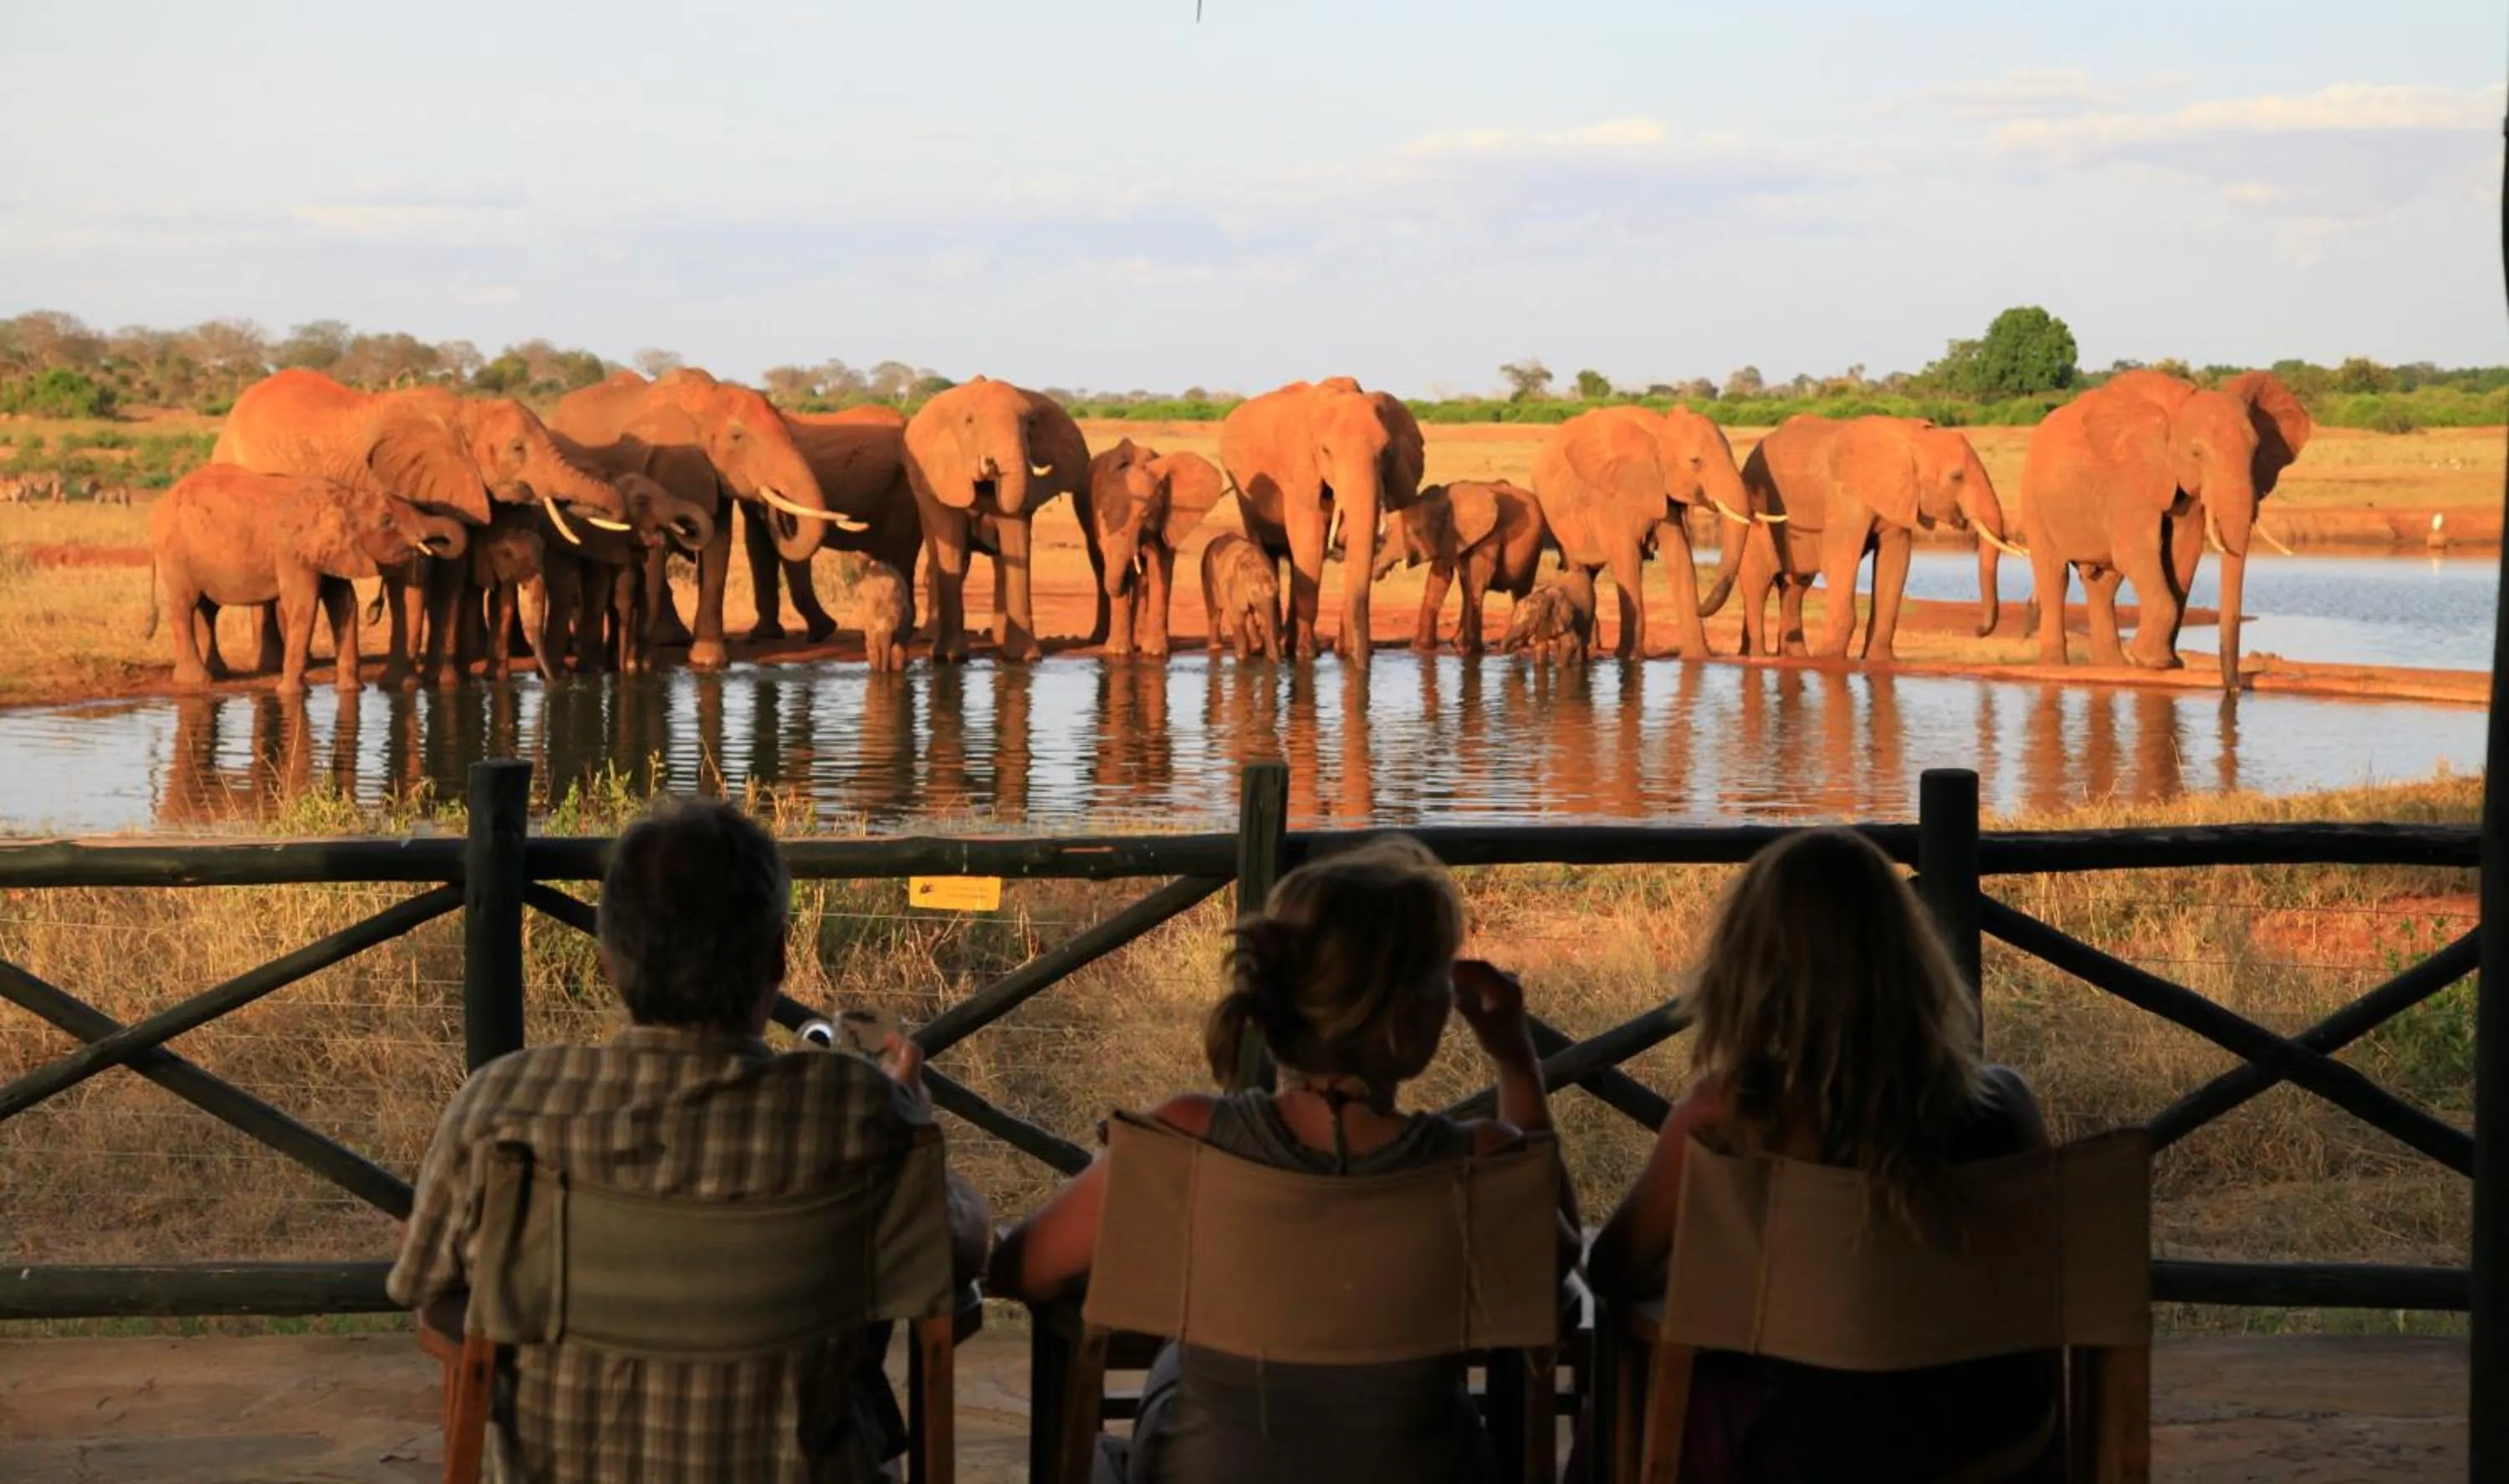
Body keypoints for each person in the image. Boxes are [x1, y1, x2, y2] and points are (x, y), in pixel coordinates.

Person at [389, 796, 991, 1483]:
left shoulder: (503, 1105)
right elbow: (961, 1251)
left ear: (609, 960)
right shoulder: (858, 1109)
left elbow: (422, 1280)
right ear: (777, 959)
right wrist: (918, 1121)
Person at [989, 836, 1577, 1484]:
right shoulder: (1479, 1163)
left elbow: (1020, 1269)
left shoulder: (1188, 1138)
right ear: (1412, 1018)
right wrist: (1515, 1057)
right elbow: (1551, 1269)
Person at [1583, 827, 2058, 1484]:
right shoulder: (2007, 1104)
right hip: (2000, 1450)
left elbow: (1612, 1270)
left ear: (1749, 970)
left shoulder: (1731, 1115)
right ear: (1913, 959)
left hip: (1818, 1457)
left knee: (1656, 1378)